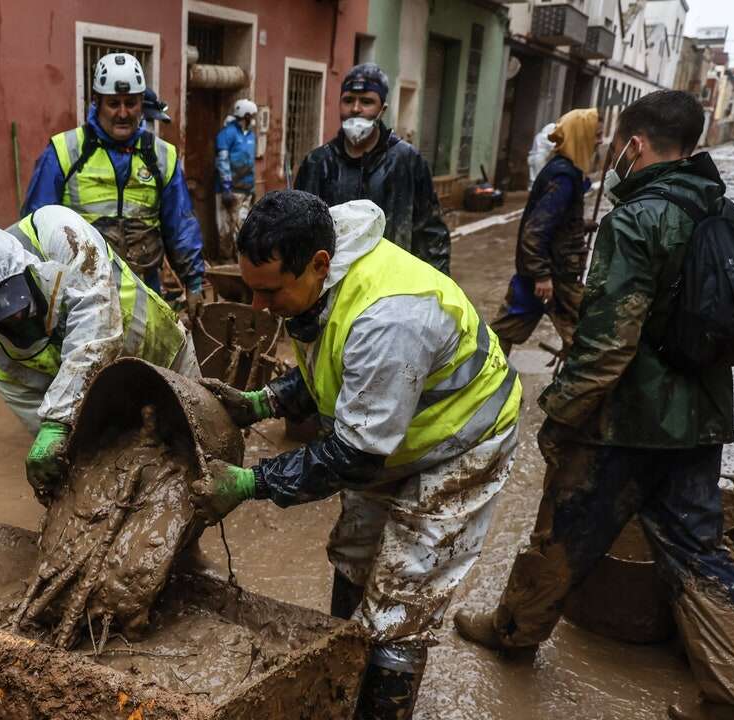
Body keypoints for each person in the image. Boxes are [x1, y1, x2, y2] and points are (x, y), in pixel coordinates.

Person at [452, 90, 734, 720]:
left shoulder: (636, 219)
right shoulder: (722, 212)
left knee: (561, 531)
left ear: (637, 144)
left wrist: (560, 414)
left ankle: (513, 631)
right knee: (700, 551)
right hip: (699, 422)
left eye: (622, 143)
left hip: (624, 423)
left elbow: (606, 342)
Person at [194, 190, 521, 719]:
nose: (258, 308)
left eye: (269, 292)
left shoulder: (389, 320)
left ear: (320, 263)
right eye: (251, 291)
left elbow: (354, 457)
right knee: (354, 555)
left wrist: (248, 484)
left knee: (401, 603)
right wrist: (265, 401)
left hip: (462, 441)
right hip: (393, 427)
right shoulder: (321, 272)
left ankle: (376, 702)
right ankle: (343, 672)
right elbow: (331, 364)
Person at [0, 204, 199, 503]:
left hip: (161, 351)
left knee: (195, 454)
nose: (12, 318)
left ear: (23, 267)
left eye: (13, 301)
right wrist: (57, 458)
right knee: (134, 487)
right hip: (106, 407)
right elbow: (47, 428)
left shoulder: (57, 232)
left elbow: (97, 325)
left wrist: (56, 420)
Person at [22, 53, 205, 315]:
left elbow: (181, 226)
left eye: (131, 103)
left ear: (142, 103)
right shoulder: (65, 151)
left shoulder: (162, 157)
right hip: (81, 298)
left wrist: (194, 283)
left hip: (145, 298)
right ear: (97, 102)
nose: (123, 113)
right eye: (113, 103)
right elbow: (34, 225)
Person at [294, 63, 451, 275]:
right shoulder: (317, 163)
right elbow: (299, 233)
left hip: (392, 286)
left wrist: (437, 288)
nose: (356, 108)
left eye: (367, 101)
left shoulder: (407, 161)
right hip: (333, 288)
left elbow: (431, 234)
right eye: (348, 100)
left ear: (382, 109)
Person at [490, 108, 601, 357]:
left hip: (550, 272)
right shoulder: (563, 177)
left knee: (504, 330)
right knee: (588, 340)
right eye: (596, 135)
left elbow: (553, 223)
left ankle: (484, 379)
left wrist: (578, 226)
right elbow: (535, 230)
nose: (600, 141)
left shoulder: (565, 171)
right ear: (581, 136)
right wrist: (541, 275)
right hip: (554, 276)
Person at [214, 99, 258, 262]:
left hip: (245, 190)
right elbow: (222, 161)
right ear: (245, 116)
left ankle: (240, 262)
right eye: (252, 116)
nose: (254, 119)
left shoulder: (251, 135)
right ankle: (225, 260)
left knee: (242, 228)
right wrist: (226, 188)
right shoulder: (227, 134)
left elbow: (251, 162)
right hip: (229, 190)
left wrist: (252, 190)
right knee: (225, 228)